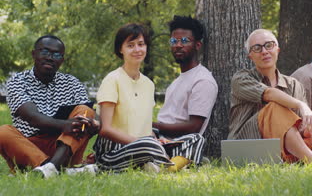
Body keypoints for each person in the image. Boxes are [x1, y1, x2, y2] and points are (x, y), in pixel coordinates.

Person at [228, 29, 312, 164]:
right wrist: (301, 105)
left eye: (269, 45)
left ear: (277, 49)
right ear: (250, 56)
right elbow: (269, 93)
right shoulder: (241, 78)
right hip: (247, 146)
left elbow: (300, 126)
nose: (264, 51)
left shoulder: (293, 84)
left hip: (282, 147)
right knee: (275, 108)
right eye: (257, 48)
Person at [0, 35, 98, 178]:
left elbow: (90, 114)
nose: (50, 58)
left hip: (65, 146)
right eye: (45, 52)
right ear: (34, 54)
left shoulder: (72, 83)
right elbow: (32, 116)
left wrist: (94, 124)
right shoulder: (17, 81)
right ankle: (58, 170)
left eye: (56, 54)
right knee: (3, 132)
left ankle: (51, 168)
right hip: (29, 147)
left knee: (85, 111)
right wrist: (64, 124)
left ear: (62, 60)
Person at [93, 23, 172, 173]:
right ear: (120, 49)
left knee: (195, 139)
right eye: (130, 45)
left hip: (143, 145)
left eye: (141, 44)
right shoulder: (112, 80)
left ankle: (151, 162)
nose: (137, 50)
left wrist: (156, 140)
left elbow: (145, 128)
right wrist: (144, 143)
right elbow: (105, 130)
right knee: (151, 146)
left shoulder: (148, 84)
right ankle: (169, 163)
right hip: (113, 151)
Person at [152, 15, 217, 165]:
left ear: (198, 45)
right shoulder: (176, 82)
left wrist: (153, 125)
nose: (178, 45)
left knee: (196, 140)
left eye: (185, 41)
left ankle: (171, 162)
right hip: (156, 136)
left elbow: (194, 127)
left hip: (179, 142)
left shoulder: (203, 80)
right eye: (174, 41)